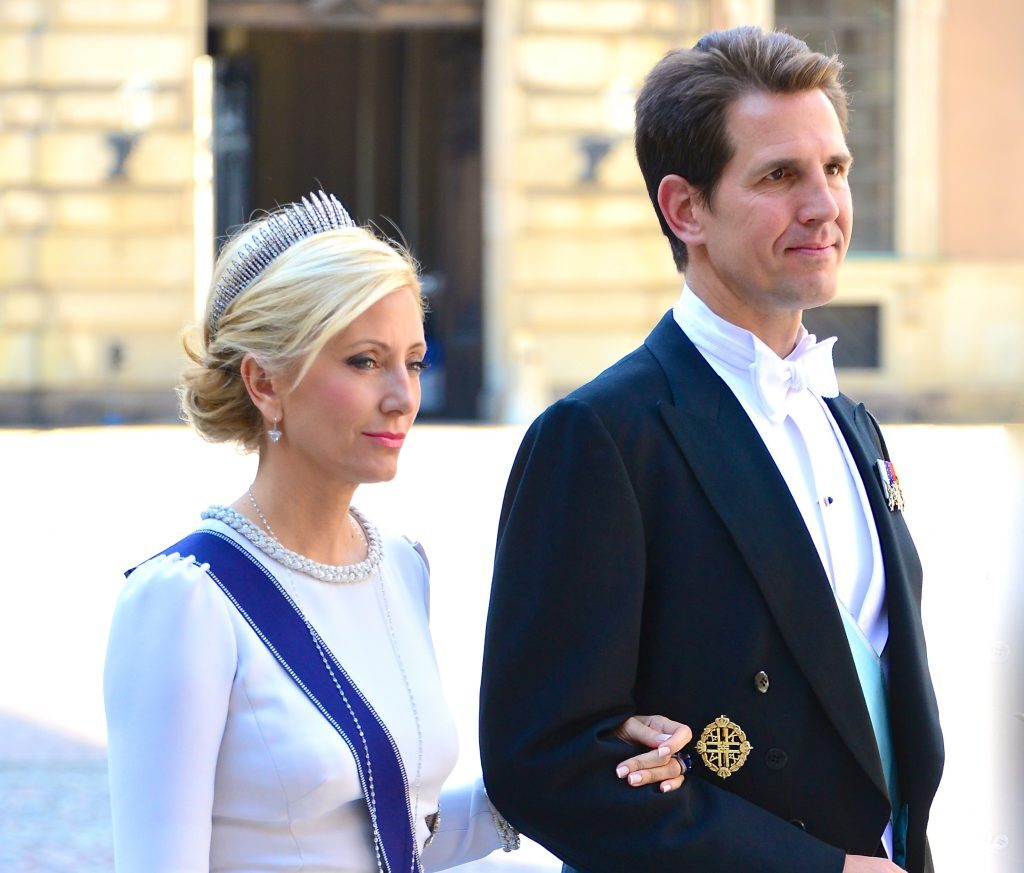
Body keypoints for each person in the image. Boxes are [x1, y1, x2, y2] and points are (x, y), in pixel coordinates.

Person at [103, 191, 691, 873]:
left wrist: (579, 764)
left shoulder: (400, 568)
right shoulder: (184, 602)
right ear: (265, 382)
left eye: (413, 360)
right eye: (363, 361)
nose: (403, 395)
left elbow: (399, 834)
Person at [480, 27, 943, 873]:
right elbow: (540, 761)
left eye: (834, 169)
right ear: (685, 209)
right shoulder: (601, 438)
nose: (823, 206)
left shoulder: (853, 424)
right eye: (778, 176)